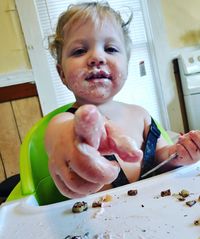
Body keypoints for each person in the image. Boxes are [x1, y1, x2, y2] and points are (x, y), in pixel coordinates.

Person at [45, 1, 200, 199]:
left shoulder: (140, 114)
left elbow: (161, 157)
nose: (97, 57)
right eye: (79, 51)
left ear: (126, 63)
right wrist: (75, 137)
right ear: (62, 74)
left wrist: (178, 155)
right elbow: (58, 139)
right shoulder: (63, 123)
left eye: (110, 49)